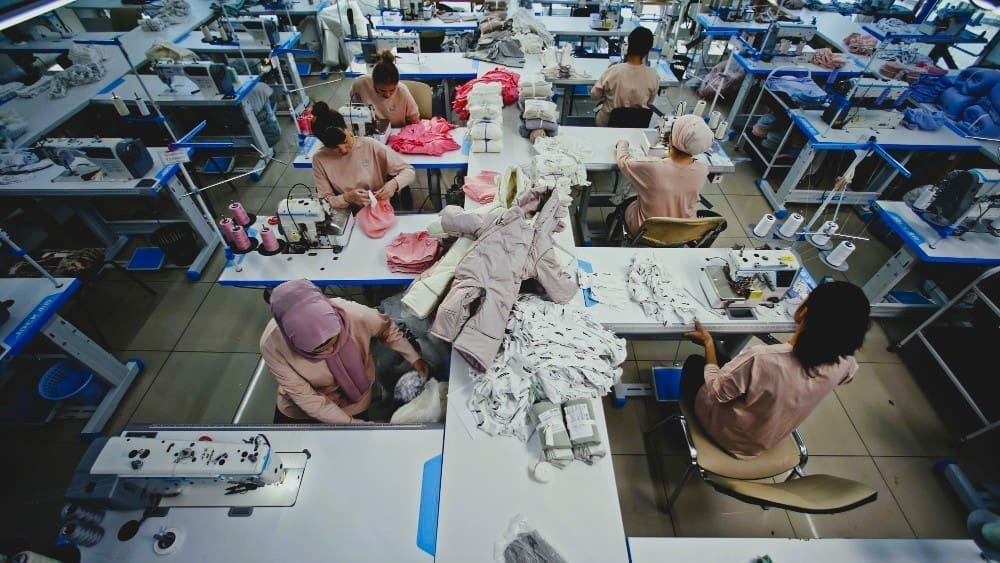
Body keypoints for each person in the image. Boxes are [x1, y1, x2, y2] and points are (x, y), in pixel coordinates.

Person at [680, 281, 870, 459]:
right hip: (765, 440)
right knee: (734, 369)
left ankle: (684, 420)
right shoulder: (847, 363)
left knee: (696, 363)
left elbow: (716, 392)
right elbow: (847, 376)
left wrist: (708, 344)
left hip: (727, 435)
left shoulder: (761, 359)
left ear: (803, 312)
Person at [261, 279, 430, 424]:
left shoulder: (354, 315)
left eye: (332, 340)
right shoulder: (273, 344)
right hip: (300, 411)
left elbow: (386, 328)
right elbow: (308, 399)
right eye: (317, 350)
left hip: (353, 402)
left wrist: (413, 357)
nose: (329, 350)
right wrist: (354, 425)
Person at [614, 114, 714, 235]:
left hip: (646, 231)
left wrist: (622, 143)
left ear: (672, 138)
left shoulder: (652, 167)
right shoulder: (702, 170)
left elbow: (623, 161)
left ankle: (613, 227)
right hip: (681, 232)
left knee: (626, 204)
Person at [310, 105, 416, 209]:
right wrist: (346, 198)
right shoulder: (319, 160)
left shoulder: (369, 145)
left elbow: (408, 171)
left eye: (345, 141)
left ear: (346, 128)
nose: (343, 150)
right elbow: (324, 202)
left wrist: (394, 184)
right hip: (349, 214)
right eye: (333, 147)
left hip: (379, 208)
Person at [590, 27, 660, 127]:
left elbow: (594, 95)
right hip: (636, 125)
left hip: (608, 123)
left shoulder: (614, 70)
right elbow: (649, 102)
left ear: (628, 45)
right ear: (648, 50)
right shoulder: (653, 75)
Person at [350, 50, 421, 128]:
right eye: (382, 90)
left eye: (392, 90)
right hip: (372, 129)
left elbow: (414, 119)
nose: (387, 95)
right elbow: (355, 108)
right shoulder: (360, 84)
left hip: (397, 131)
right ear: (373, 82)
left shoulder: (402, 91)